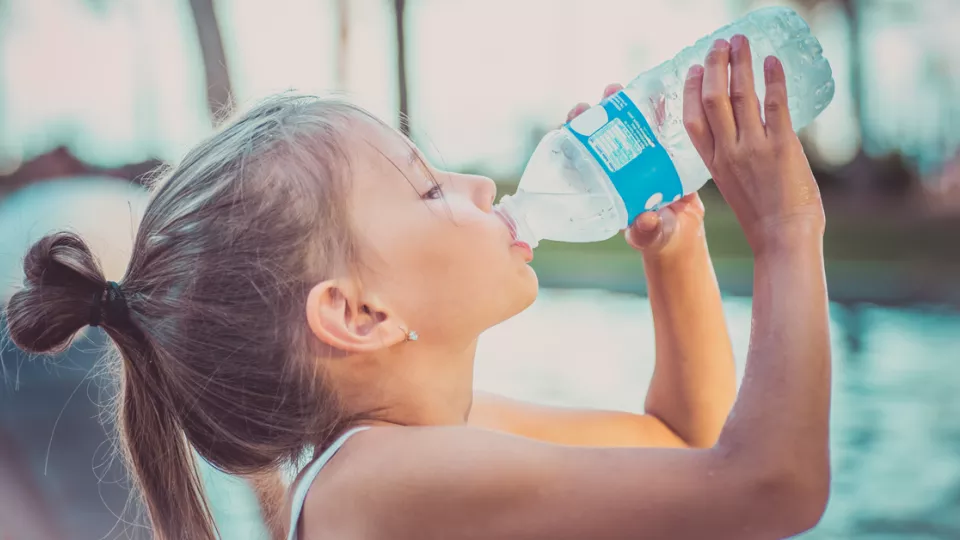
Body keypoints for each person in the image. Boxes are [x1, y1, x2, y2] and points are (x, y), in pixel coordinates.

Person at [3, 35, 831, 540]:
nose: (478, 185)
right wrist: (787, 235)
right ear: (357, 313)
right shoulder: (380, 484)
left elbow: (685, 444)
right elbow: (773, 489)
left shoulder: (425, 445)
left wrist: (675, 249)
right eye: (430, 188)